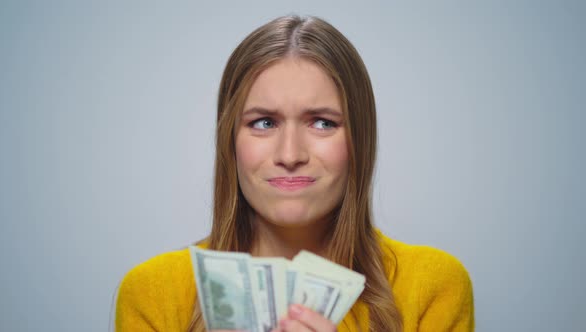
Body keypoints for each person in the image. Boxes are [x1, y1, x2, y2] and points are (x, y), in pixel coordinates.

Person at [115, 15, 474, 332]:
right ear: (230, 142)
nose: (290, 155)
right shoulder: (153, 293)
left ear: (359, 139)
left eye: (322, 122)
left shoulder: (431, 287)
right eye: (263, 122)